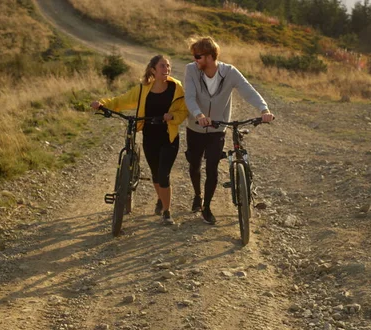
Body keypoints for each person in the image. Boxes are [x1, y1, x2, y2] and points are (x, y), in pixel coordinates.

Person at [184, 36, 274, 224]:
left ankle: (206, 206)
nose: (195, 59)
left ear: (209, 56)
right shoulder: (191, 70)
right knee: (194, 165)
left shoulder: (230, 72)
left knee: (212, 168)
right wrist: (199, 115)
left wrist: (264, 109)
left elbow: (248, 90)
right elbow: (190, 97)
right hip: (196, 127)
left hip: (218, 127)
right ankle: (197, 195)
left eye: (198, 56)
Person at [91, 55, 188, 225]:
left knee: (163, 175)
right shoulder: (143, 89)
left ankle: (167, 212)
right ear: (153, 70)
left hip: (169, 136)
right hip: (150, 136)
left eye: (168, 66)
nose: (167, 69)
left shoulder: (176, 88)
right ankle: (161, 198)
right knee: (155, 175)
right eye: (162, 66)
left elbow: (183, 110)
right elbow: (122, 100)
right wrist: (103, 104)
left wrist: (172, 116)